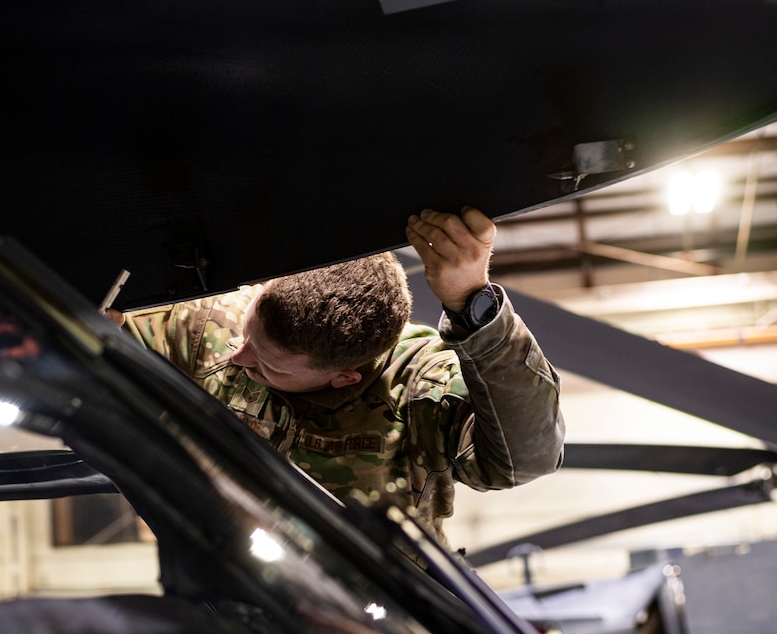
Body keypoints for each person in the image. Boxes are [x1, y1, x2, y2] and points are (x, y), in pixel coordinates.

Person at [114, 207, 564, 547]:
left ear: (344, 378)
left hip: (368, 619)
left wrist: (472, 303)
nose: (239, 357)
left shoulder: (415, 390)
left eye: (268, 366)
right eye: (250, 329)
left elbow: (525, 459)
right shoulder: (215, 324)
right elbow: (100, 331)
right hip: (229, 586)